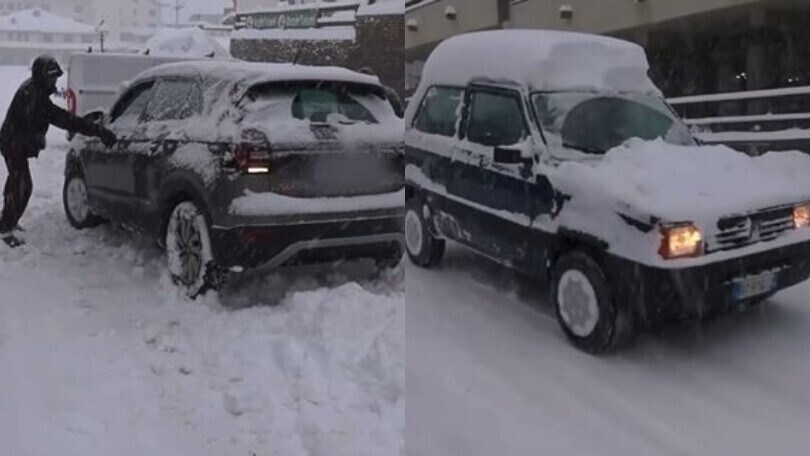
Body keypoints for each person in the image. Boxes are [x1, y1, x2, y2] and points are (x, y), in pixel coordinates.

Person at [0, 55, 117, 248]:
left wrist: (94, 129)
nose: (53, 82)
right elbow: (60, 119)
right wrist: (97, 130)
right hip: (13, 145)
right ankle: (6, 227)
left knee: (16, 183)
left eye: (54, 78)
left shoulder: (35, 91)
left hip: (13, 143)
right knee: (22, 186)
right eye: (50, 79)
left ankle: (7, 221)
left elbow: (57, 118)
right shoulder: (33, 97)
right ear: (40, 77)